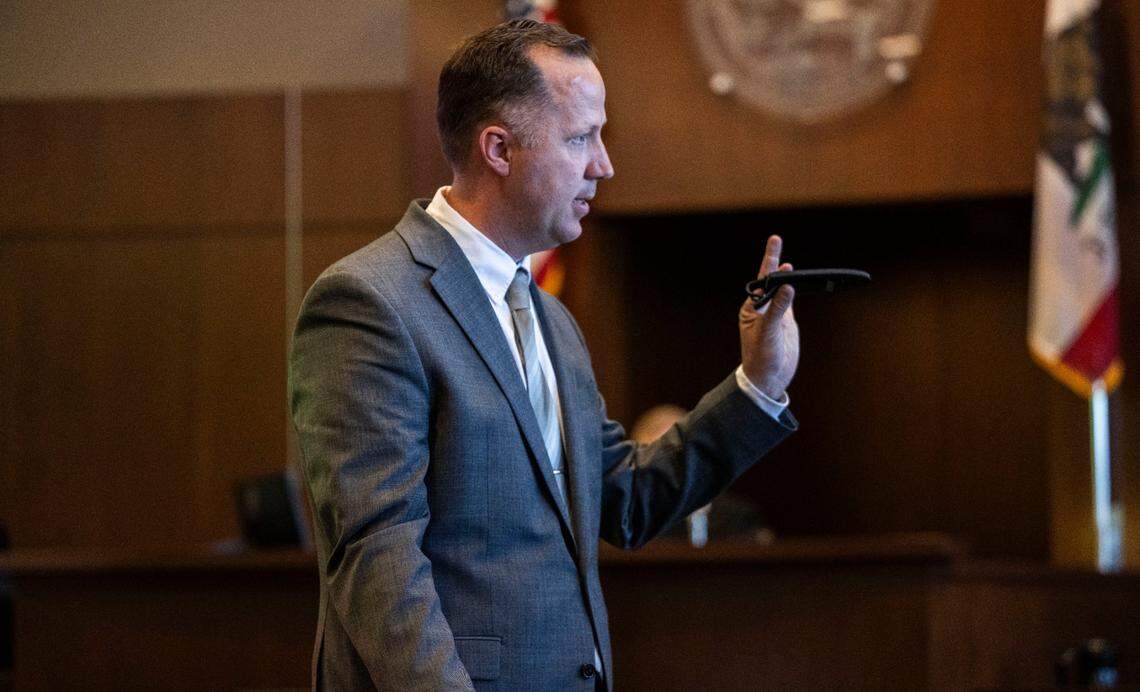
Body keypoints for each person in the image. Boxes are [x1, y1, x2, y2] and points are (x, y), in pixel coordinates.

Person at [289, 19, 799, 691]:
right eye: (581, 137)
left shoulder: (551, 319)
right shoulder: (369, 301)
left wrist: (757, 385)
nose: (603, 165)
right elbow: (379, 563)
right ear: (498, 148)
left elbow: (627, 498)